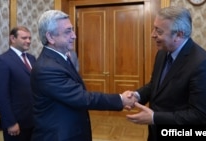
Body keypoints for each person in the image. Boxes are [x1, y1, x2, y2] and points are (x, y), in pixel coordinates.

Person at [30, 10, 137, 141]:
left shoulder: (60, 59)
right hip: (58, 135)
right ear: (51, 37)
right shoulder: (47, 68)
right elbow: (81, 98)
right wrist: (120, 99)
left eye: (73, 30)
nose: (74, 36)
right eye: (68, 31)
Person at [126, 6, 206, 141]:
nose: (152, 34)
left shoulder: (203, 64)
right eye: (154, 28)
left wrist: (154, 118)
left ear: (179, 35)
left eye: (159, 31)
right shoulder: (162, 53)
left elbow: (199, 116)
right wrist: (137, 96)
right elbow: (155, 86)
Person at [0, 26, 36, 141]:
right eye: (24, 38)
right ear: (13, 38)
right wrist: (10, 122)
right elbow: (1, 96)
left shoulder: (32, 59)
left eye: (30, 38)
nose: (28, 41)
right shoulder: (2, 61)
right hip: (17, 122)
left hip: (34, 119)